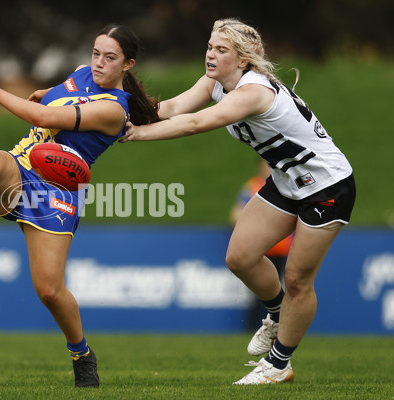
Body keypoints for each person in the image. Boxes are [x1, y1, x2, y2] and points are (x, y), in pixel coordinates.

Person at [122, 18, 355, 385]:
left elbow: (196, 123)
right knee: (240, 258)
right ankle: (277, 314)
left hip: (327, 186)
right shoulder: (214, 82)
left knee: (296, 279)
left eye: (221, 50)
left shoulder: (253, 92)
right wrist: (107, 108)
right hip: (285, 181)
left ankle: (279, 365)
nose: (211, 54)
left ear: (243, 60)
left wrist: (136, 135)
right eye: (210, 46)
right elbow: (170, 109)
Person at [0, 25, 159, 388]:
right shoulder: (81, 75)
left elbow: (43, 118)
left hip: (57, 191)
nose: (98, 63)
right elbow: (60, 99)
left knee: (48, 289)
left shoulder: (113, 109)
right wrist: (49, 92)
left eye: (110, 58)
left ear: (128, 64)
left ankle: (82, 355)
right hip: (24, 164)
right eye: (95, 53)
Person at [230, 159, 293, 330]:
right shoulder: (252, 186)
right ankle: (254, 328)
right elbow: (235, 214)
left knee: (280, 290)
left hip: (280, 250)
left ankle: (281, 329)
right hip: (259, 250)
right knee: (258, 294)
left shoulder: (287, 185)